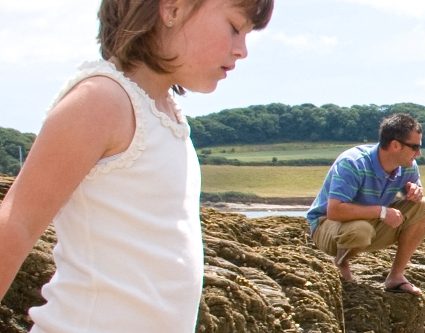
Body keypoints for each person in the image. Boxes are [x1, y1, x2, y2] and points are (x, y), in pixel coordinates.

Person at [0, 0, 273, 331]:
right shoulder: (103, 99)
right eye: (234, 28)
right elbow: (17, 223)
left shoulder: (166, 117)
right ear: (172, 9)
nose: (242, 50)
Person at [305, 113, 425, 295]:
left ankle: (396, 277)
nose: (419, 153)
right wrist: (382, 212)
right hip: (326, 225)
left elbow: (414, 195)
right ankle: (341, 263)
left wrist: (415, 192)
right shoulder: (353, 163)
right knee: (361, 230)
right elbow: (334, 211)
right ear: (396, 145)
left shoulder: (408, 166)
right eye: (415, 147)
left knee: (424, 206)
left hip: (368, 222)